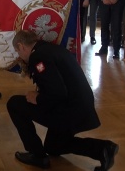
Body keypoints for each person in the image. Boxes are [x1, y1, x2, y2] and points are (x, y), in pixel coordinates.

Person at [8, 30, 119, 170]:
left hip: (69, 110)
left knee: (14, 104)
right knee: (53, 146)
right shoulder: (51, 49)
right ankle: (103, 149)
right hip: (80, 107)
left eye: (18, 51)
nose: (20, 56)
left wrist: (37, 98)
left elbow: (57, 92)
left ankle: (37, 155)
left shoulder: (38, 57)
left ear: (22, 46)